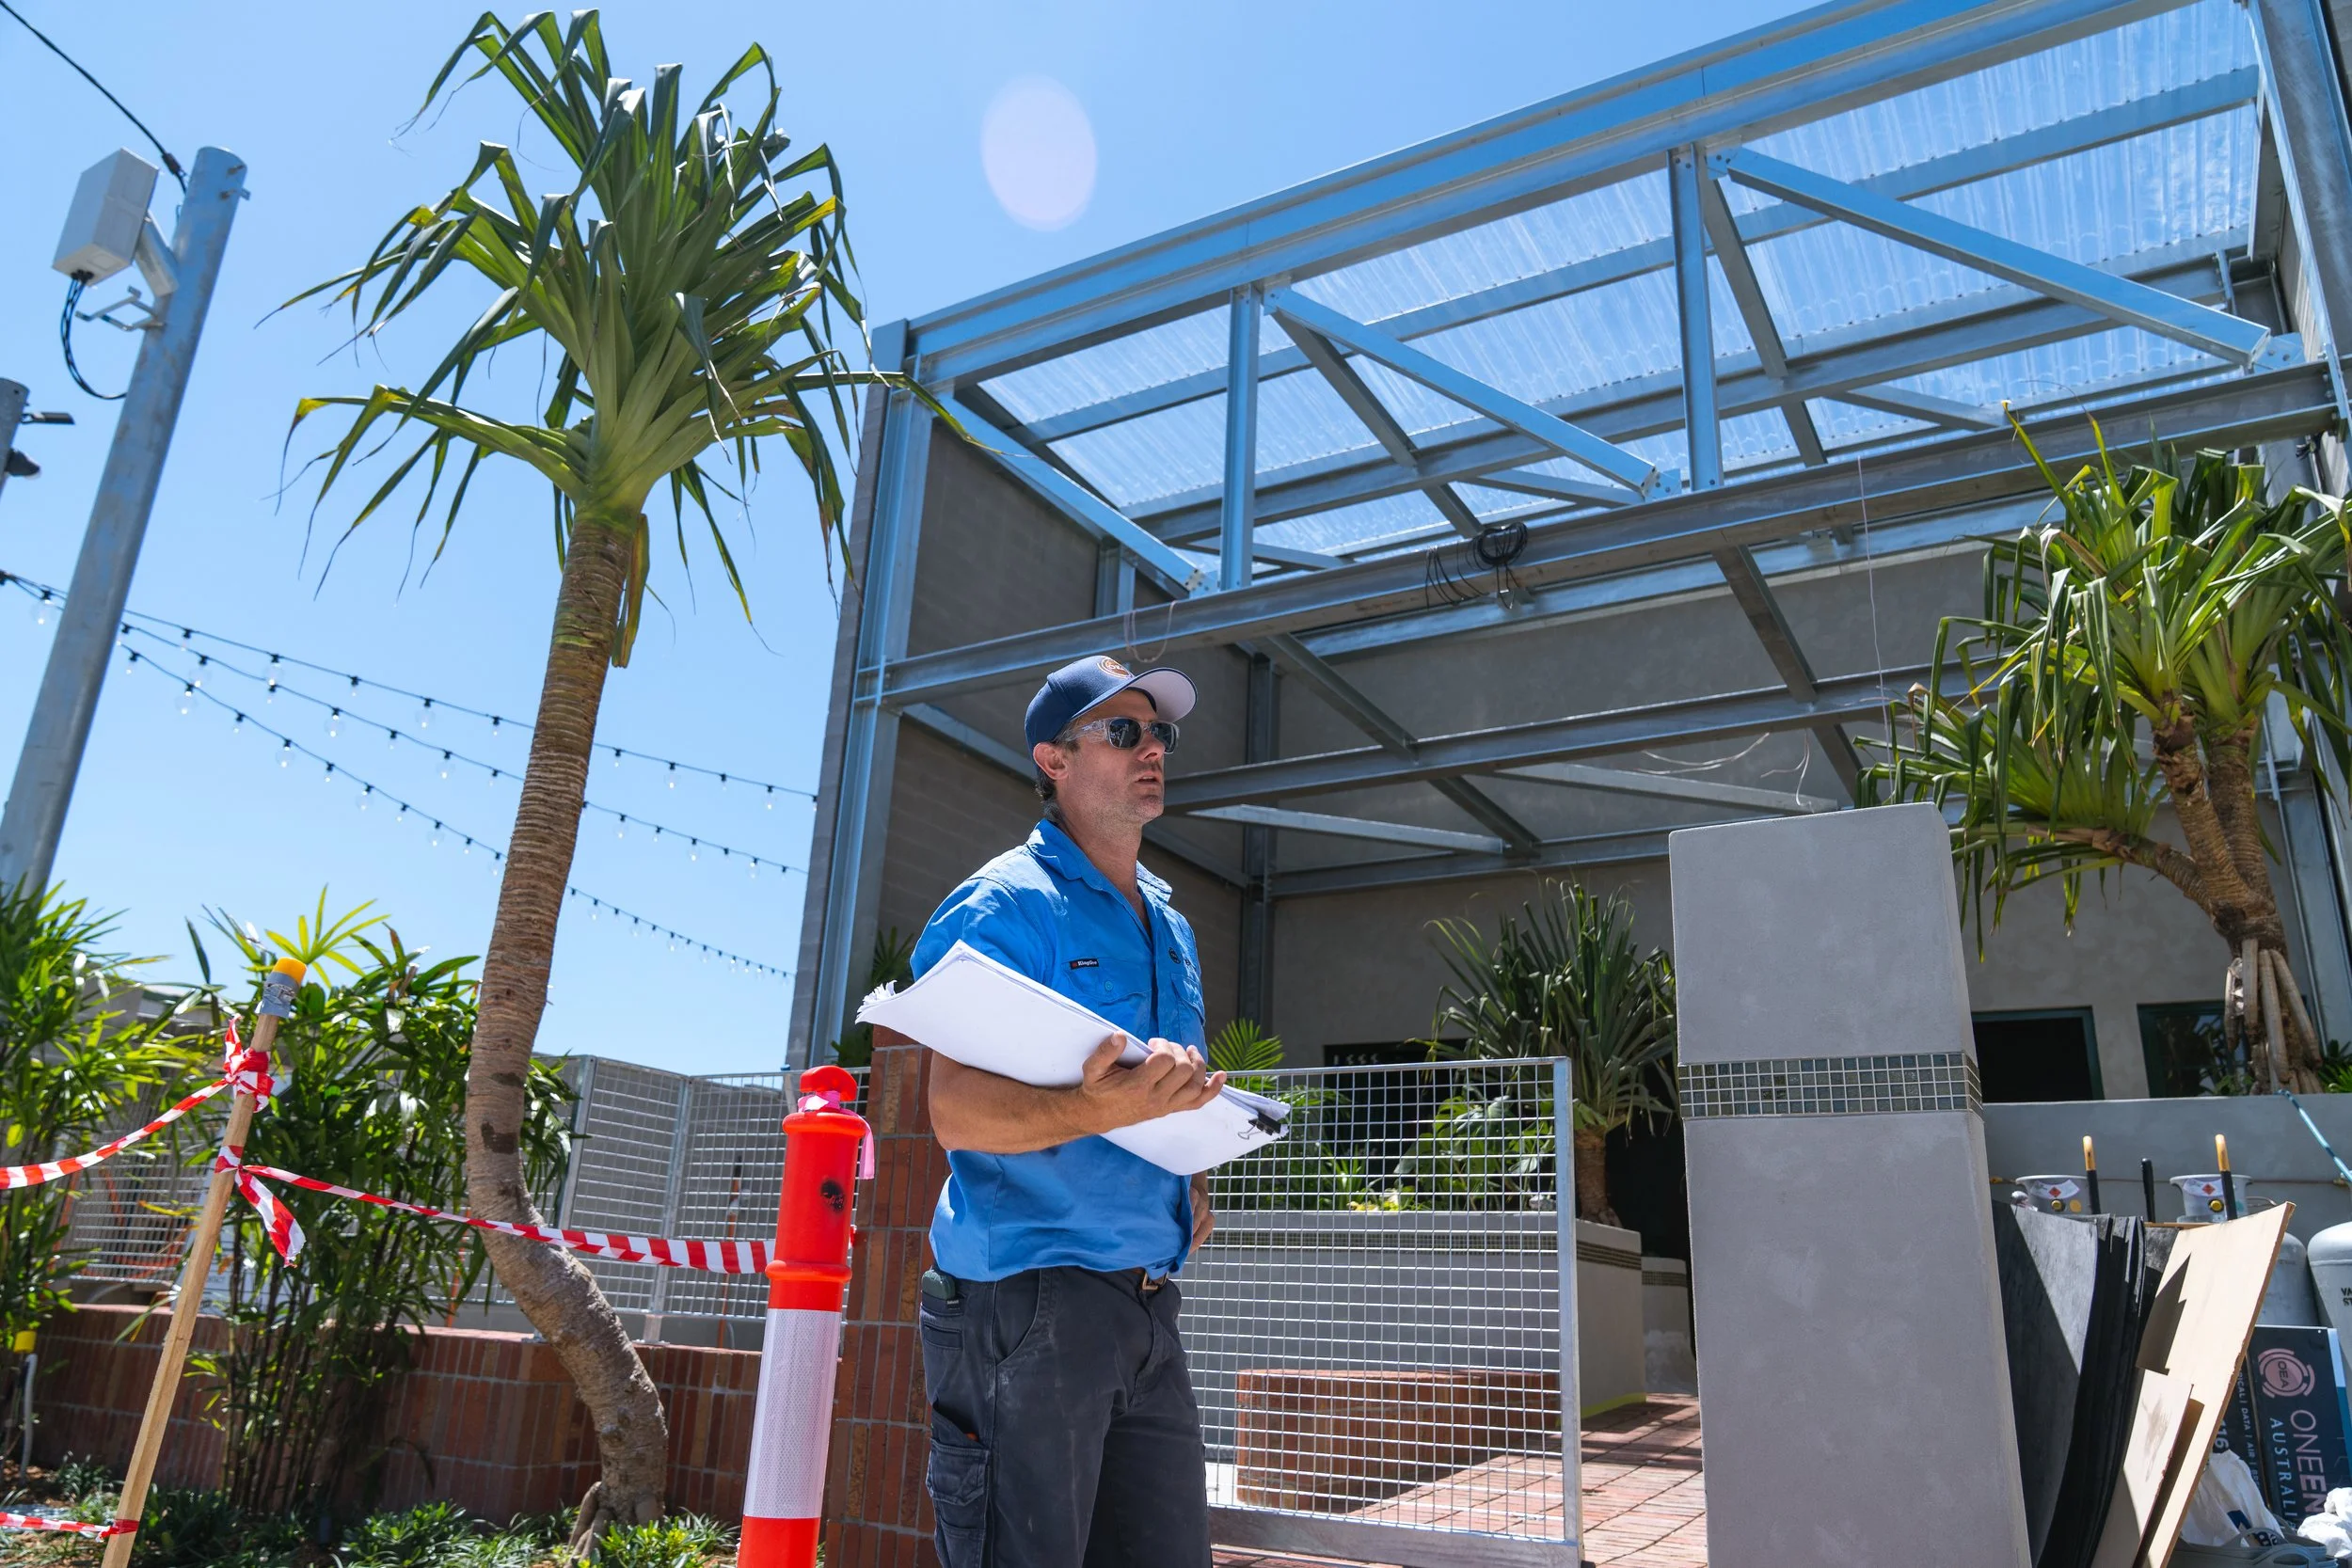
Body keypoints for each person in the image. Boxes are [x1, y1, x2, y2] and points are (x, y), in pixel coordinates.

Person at [909, 653, 1226, 1568]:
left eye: (1157, 730)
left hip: (1146, 1308)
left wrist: (1189, 1175)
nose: (1151, 748)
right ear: (1053, 758)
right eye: (1122, 731)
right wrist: (1094, 1104)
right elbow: (956, 1109)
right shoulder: (1008, 902)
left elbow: (1168, 1087)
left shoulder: (1170, 921)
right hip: (1029, 1303)